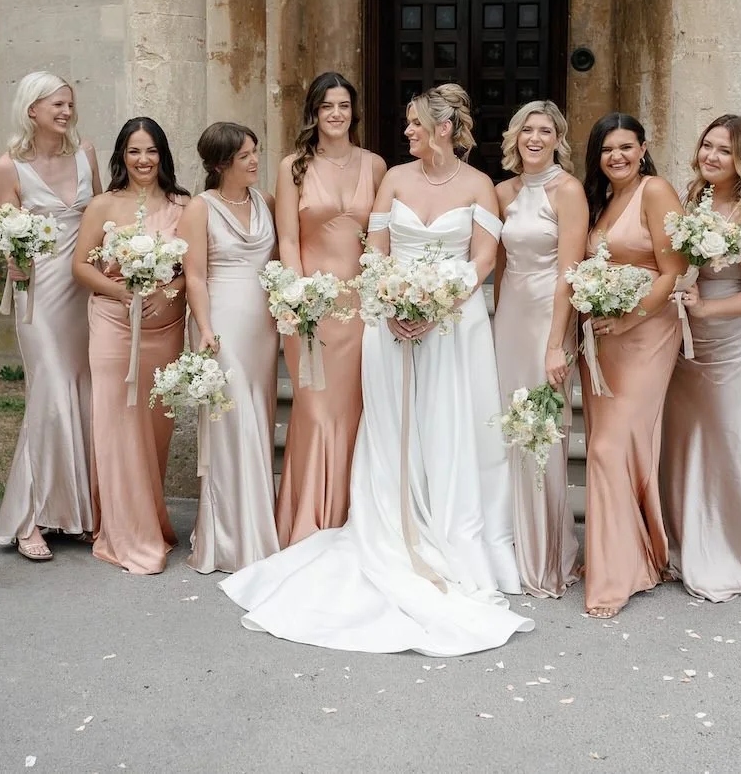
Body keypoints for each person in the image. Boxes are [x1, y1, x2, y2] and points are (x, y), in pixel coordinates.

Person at [219, 84, 533, 656]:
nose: (406, 131)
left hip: (454, 328)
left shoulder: (478, 185)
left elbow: (484, 259)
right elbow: (378, 249)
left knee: (447, 426)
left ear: (442, 129)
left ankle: (447, 530)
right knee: (390, 428)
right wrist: (392, 302)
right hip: (388, 325)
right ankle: (389, 520)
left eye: (414, 124)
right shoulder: (395, 179)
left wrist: (439, 303)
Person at [661, 114, 741, 601]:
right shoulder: (696, 197)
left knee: (728, 440)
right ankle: (684, 541)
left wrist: (705, 309)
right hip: (689, 336)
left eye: (725, 150)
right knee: (683, 439)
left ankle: (729, 553)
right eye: (707, 145)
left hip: (734, 341)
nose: (711, 156)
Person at [0, 72, 102, 561]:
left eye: (70, 104)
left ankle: (76, 513)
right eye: (57, 104)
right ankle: (28, 518)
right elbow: (7, 233)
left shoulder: (86, 154)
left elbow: (101, 215)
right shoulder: (8, 166)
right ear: (31, 108)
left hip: (84, 291)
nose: (66, 111)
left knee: (83, 394)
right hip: (38, 294)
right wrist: (11, 258)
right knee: (50, 395)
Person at [273, 72, 386, 547]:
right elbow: (288, 238)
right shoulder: (293, 167)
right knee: (316, 412)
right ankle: (308, 521)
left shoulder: (375, 165)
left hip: (361, 309)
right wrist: (298, 297)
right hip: (312, 308)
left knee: (353, 413)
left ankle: (347, 519)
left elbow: (380, 237)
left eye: (343, 105)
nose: (336, 114)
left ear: (353, 112)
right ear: (314, 113)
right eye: (326, 106)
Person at [580, 113, 685, 619]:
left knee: (610, 446)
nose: (616, 156)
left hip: (647, 332)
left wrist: (629, 318)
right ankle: (626, 552)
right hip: (603, 340)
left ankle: (615, 576)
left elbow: (673, 272)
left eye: (625, 147)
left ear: (643, 149)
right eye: (606, 149)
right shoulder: (601, 200)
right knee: (612, 447)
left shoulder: (655, 191)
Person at [73, 117, 189, 575]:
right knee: (117, 422)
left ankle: (149, 519)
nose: (143, 160)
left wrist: (169, 292)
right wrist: (121, 292)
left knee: (155, 427)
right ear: (122, 155)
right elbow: (81, 266)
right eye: (135, 151)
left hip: (165, 327)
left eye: (152, 151)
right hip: (112, 323)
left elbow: (192, 270)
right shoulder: (102, 205)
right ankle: (126, 531)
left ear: (163, 155)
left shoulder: (183, 206)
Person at [494, 100, 588, 598]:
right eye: (527, 129)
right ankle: (507, 543)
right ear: (515, 136)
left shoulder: (567, 191)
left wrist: (556, 345)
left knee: (542, 431)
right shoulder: (502, 192)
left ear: (558, 140)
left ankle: (546, 552)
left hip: (548, 320)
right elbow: (498, 265)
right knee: (507, 428)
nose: (534, 138)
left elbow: (569, 274)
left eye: (545, 130)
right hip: (510, 316)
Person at [179, 122, 280, 574]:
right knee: (231, 421)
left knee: (258, 416)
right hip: (220, 324)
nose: (255, 160)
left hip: (262, 326)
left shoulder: (266, 202)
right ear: (221, 164)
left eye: (255, 152)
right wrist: (204, 328)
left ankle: (259, 528)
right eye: (245, 156)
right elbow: (195, 276)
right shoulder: (200, 208)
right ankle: (229, 538)